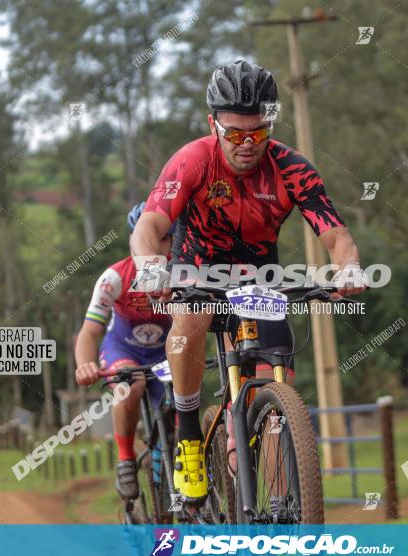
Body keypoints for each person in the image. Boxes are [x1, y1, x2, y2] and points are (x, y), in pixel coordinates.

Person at [130, 59, 366, 506]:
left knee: (278, 384)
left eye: (258, 133)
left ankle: (280, 515)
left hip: (259, 280)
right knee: (192, 320)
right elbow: (149, 226)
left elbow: (336, 234)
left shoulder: (292, 168)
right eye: (234, 134)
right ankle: (188, 439)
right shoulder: (193, 159)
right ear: (212, 124)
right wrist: (150, 268)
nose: (247, 145)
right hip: (197, 269)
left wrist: (348, 267)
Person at [74, 202, 174, 500]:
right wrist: (84, 365)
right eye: (149, 238)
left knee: (181, 406)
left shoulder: (182, 274)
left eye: (166, 238)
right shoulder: (114, 278)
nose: (158, 246)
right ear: (136, 240)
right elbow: (90, 331)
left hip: (166, 353)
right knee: (132, 386)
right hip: (122, 348)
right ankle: (126, 459)